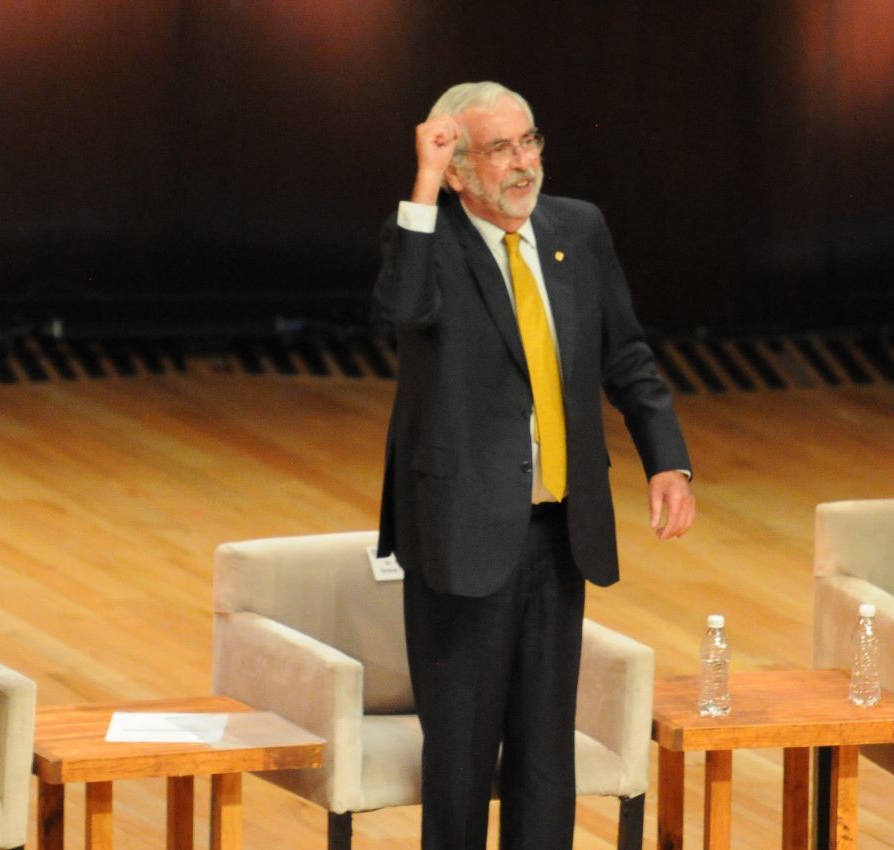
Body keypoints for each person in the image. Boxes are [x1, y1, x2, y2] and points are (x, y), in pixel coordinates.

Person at [374, 81, 696, 849]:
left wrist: (668, 460)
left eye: (530, 143)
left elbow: (624, 353)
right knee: (459, 761)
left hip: (560, 531)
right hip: (461, 534)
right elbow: (403, 310)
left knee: (546, 757)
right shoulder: (430, 239)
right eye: (498, 150)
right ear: (458, 169)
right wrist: (423, 180)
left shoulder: (575, 229)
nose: (523, 165)